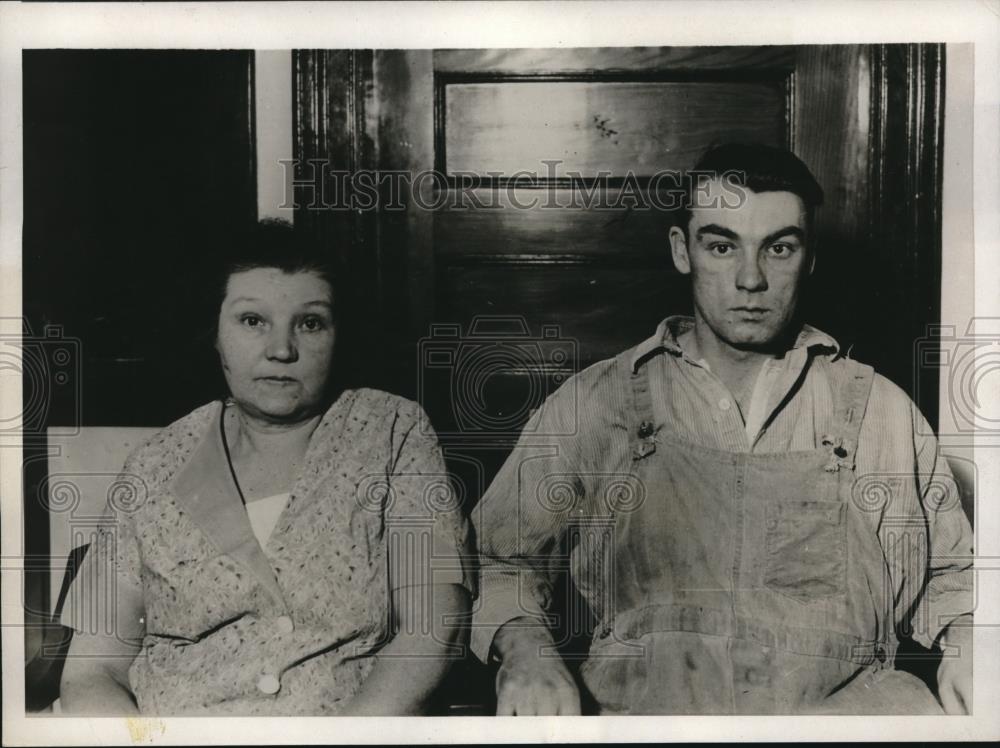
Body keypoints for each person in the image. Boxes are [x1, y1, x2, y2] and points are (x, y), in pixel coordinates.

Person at [472, 144, 974, 715]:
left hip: (842, 721)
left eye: (779, 248)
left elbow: (952, 578)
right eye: (721, 246)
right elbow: (501, 559)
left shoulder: (880, 410)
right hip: (655, 718)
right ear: (682, 250)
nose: (751, 278)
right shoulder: (593, 403)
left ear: (809, 258)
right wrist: (526, 651)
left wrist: (970, 642)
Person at [59, 219, 474, 715]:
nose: (282, 349)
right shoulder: (153, 465)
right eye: (252, 321)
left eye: (310, 322)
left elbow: (433, 630)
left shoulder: (392, 432)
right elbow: (91, 672)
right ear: (214, 332)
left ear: (340, 334)